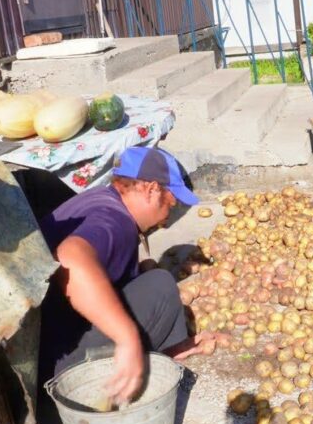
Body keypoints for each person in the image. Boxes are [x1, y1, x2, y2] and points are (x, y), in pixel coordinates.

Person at [37, 146, 216, 406]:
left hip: (45, 350)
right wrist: (127, 338)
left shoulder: (100, 198)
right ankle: (157, 366)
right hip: (59, 379)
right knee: (161, 285)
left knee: (147, 277)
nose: (167, 219)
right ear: (152, 189)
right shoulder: (115, 222)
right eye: (170, 205)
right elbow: (70, 257)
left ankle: (165, 354)